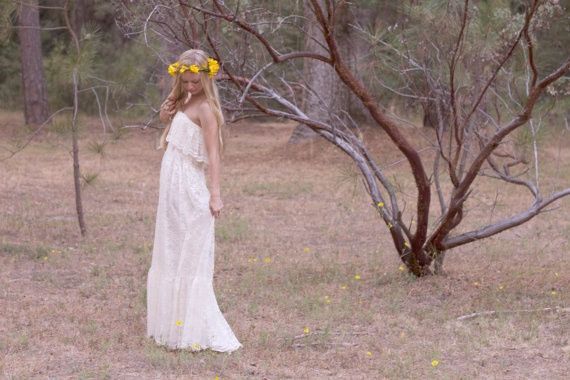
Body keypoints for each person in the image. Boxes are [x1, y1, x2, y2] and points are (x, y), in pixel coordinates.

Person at [146, 49, 242, 353]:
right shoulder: (184, 101)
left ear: (206, 78)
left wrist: (215, 194)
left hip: (189, 185)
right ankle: (172, 324)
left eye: (195, 82)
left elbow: (213, 154)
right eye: (185, 81)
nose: (190, 87)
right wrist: (166, 112)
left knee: (190, 250)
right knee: (171, 248)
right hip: (171, 185)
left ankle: (193, 324)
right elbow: (169, 127)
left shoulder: (207, 110)